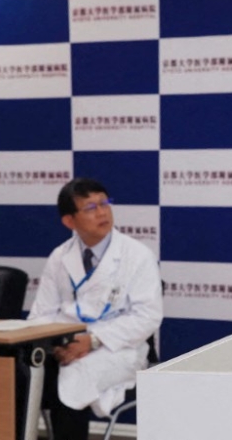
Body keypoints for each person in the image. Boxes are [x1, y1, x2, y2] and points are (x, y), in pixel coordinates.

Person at [29, 178, 163, 440]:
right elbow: (41, 313)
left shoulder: (137, 255)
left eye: (104, 203)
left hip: (117, 347)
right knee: (21, 376)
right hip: (64, 346)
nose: (102, 212)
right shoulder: (59, 256)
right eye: (91, 208)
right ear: (70, 221)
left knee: (72, 378)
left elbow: (148, 316)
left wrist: (92, 341)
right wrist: (55, 345)